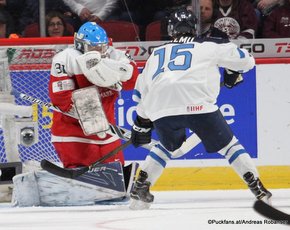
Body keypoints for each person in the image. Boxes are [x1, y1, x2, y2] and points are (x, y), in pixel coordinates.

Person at [129, 8, 272, 210]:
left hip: (161, 109)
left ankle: (141, 184)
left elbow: (140, 95)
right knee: (230, 146)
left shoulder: (155, 55)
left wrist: (141, 124)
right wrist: (232, 70)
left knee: (166, 147)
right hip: (199, 106)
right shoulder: (208, 46)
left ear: (170, 30)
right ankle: (257, 187)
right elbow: (247, 61)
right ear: (194, 28)